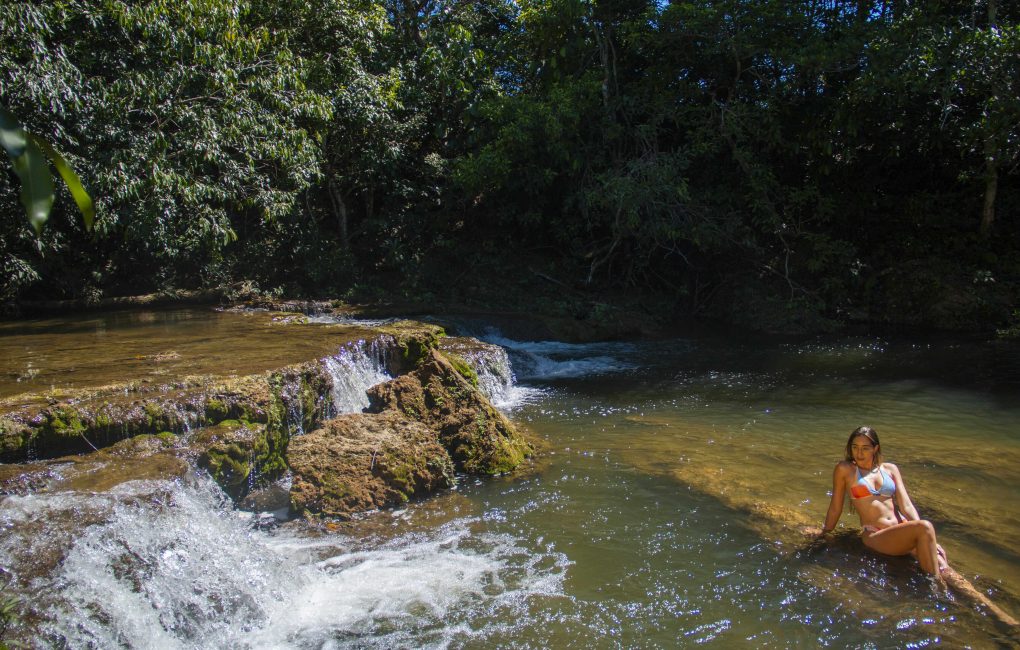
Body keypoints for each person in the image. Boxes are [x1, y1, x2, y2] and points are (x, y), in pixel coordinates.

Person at [817, 425, 947, 581]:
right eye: (855, 447)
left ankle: (981, 600)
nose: (859, 453)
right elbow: (835, 507)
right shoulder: (845, 470)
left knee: (945, 568)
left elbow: (906, 506)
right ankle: (936, 587)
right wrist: (825, 532)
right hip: (876, 533)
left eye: (865, 448)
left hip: (901, 529)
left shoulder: (890, 469)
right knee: (925, 527)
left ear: (875, 448)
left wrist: (931, 539)